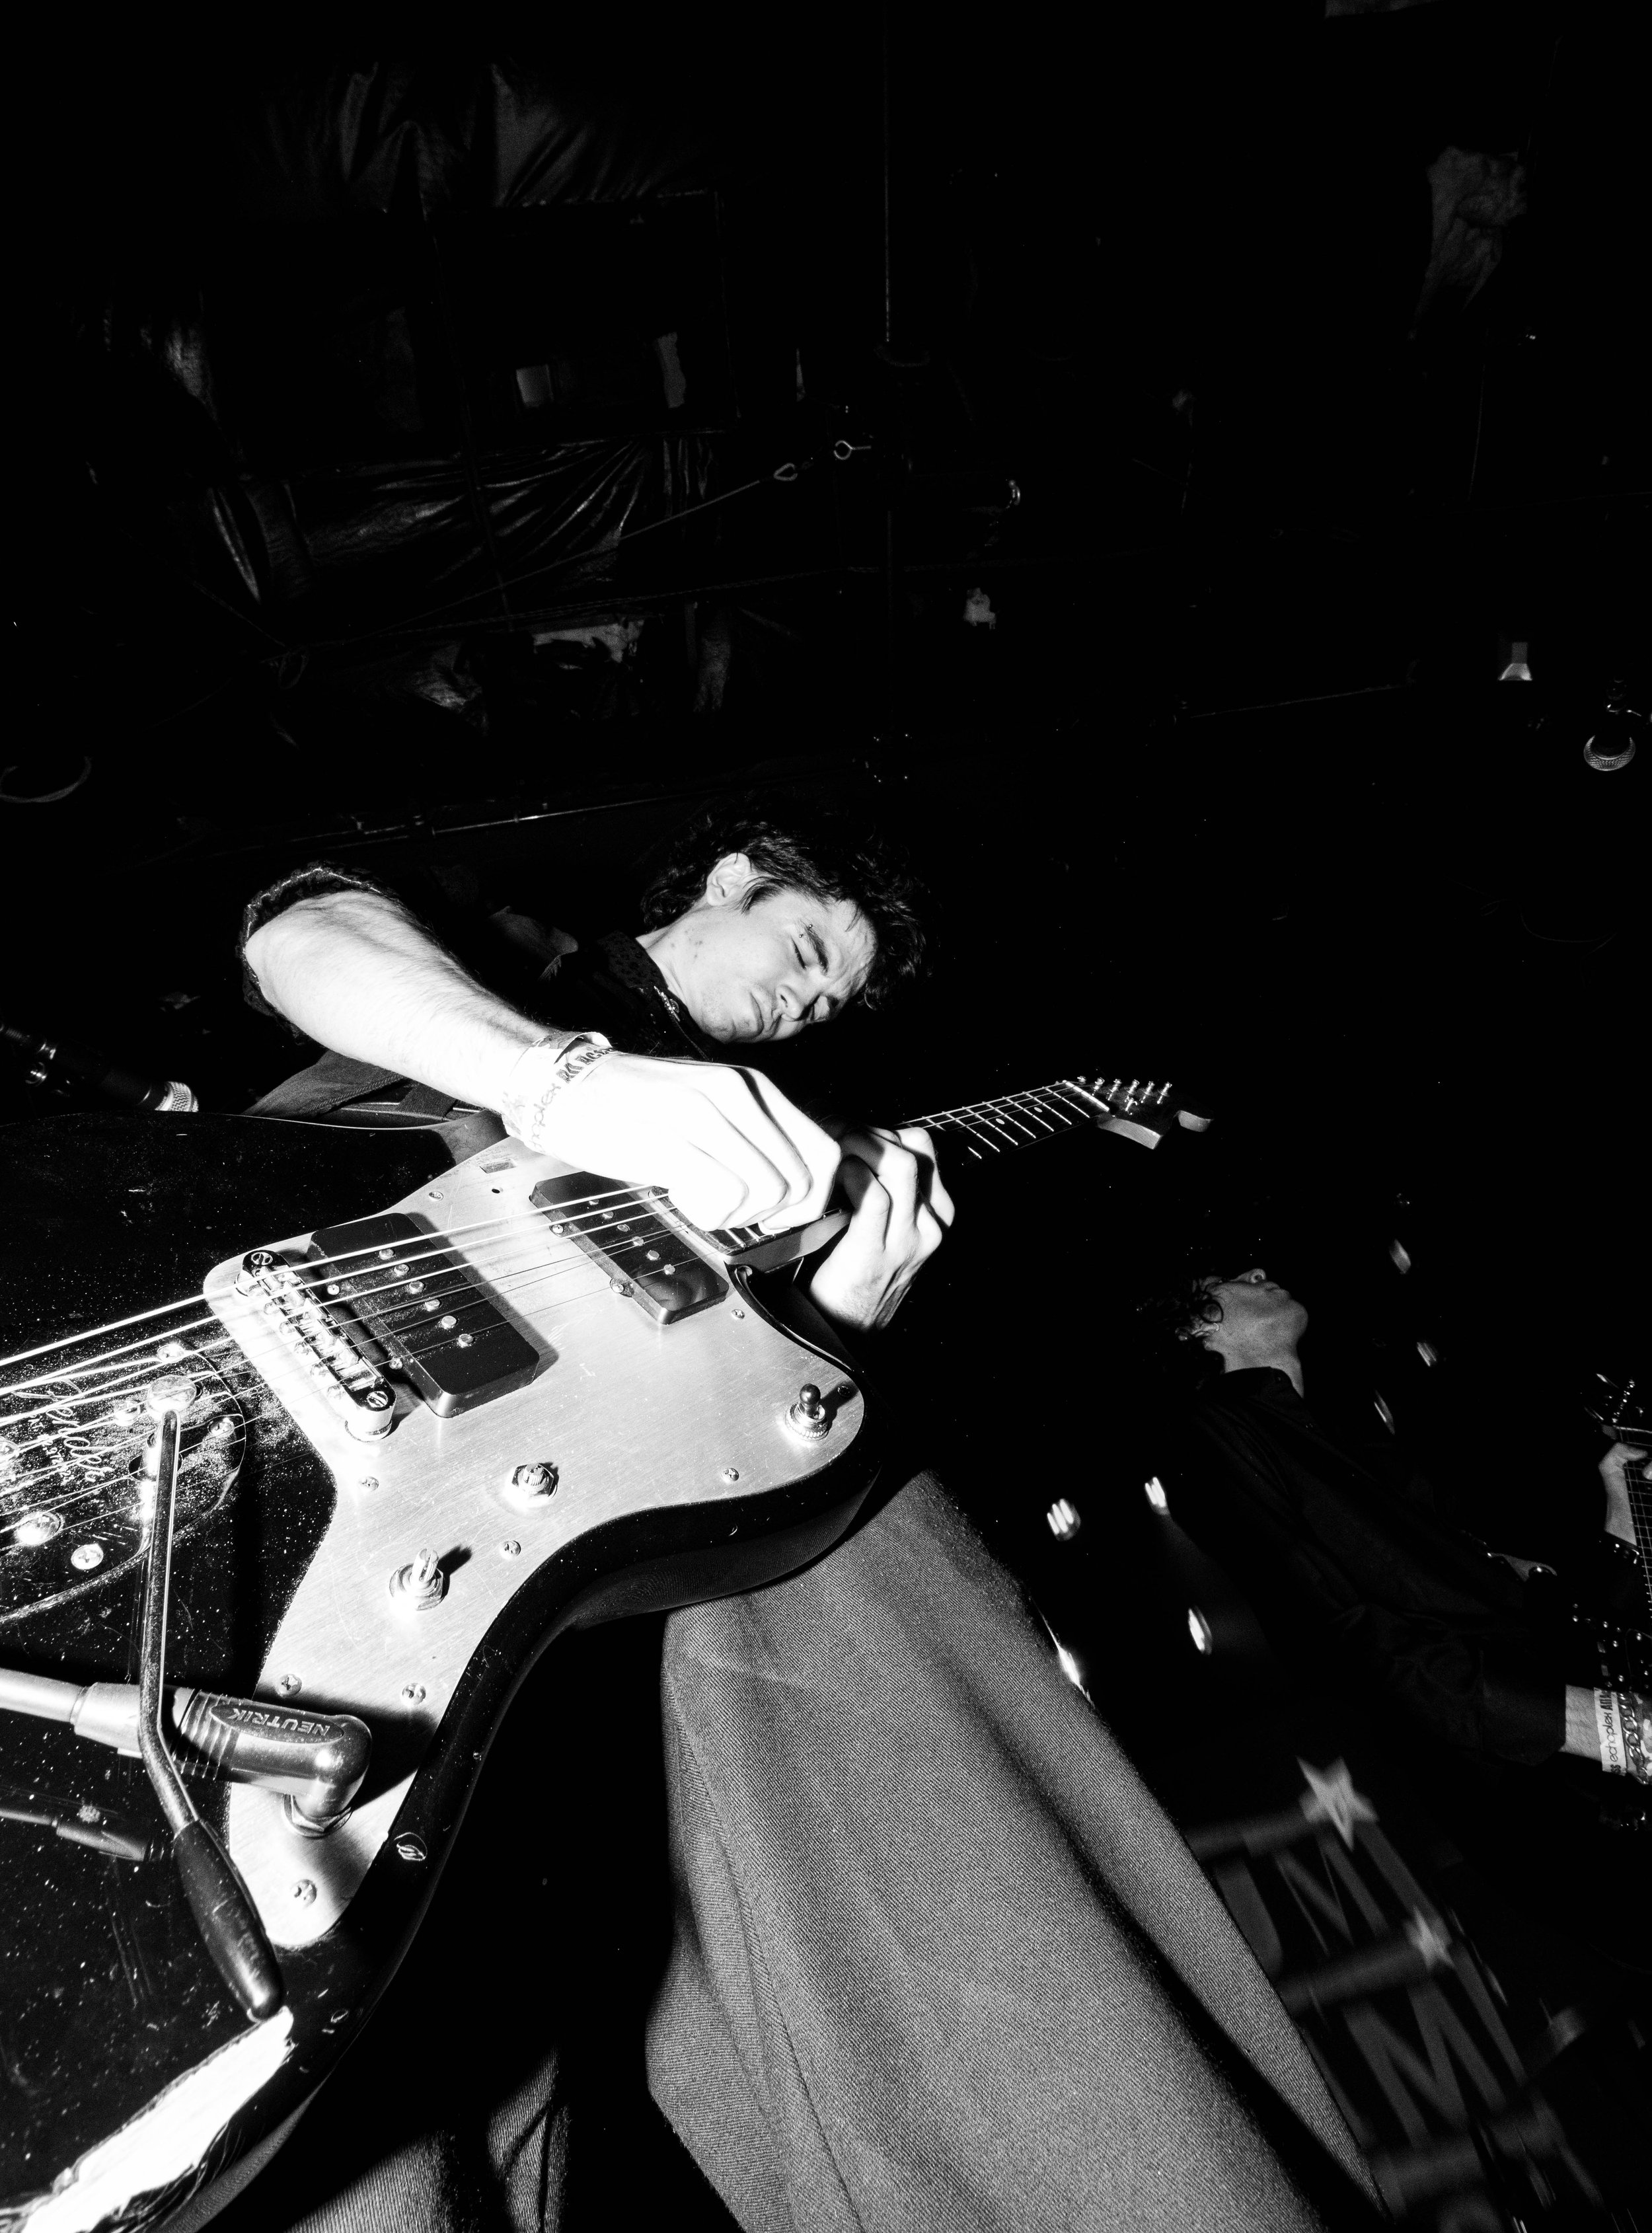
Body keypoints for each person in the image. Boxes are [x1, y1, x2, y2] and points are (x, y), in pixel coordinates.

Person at [232, 808, 1380, 2233]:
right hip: (269, 1365)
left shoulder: (778, 1141)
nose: (807, 1003)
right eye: (805, 951)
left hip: (509, 1578)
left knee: (419, 2059)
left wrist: (833, 1328)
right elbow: (302, 930)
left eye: (833, 1001)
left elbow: (690, 1414)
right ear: (732, 876)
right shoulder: (509, 954)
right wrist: (558, 1076)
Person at [1141, 1265, 1651, 1788]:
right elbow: (1338, 1634)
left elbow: (1576, 1629)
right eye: (1227, 1279)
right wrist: (1609, 1729)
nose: (1257, 1271)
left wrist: (1623, 1515)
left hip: (1586, 1726)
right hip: (1541, 1766)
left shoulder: (1349, 1441)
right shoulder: (1209, 1433)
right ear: (1191, 1326)